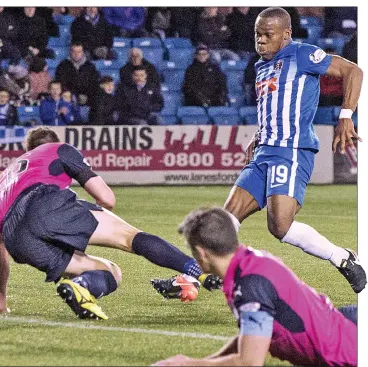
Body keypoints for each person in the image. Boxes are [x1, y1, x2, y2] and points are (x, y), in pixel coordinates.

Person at [155, 7, 366, 296]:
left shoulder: (303, 54)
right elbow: (273, 106)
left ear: (286, 34)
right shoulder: (261, 65)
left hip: (291, 150)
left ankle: (342, 257)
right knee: (225, 220)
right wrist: (258, 135)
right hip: (265, 151)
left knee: (280, 226)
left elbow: (352, 70)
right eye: (258, 34)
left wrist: (345, 116)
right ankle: (189, 279)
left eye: (268, 35)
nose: (261, 41)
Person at [0, 127, 221, 319]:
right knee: (129, 237)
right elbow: (107, 198)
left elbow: (1, 251)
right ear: (54, 141)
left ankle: (83, 286)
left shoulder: (5, 178)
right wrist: (86, 218)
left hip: (17, 238)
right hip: (47, 204)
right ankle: (195, 271)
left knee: (110, 272)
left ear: (27, 149)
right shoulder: (59, 149)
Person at [152, 207, 357, 366]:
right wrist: (208, 360)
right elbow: (252, 336)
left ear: (201, 252)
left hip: (350, 350)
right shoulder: (247, 262)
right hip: (344, 332)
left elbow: (249, 362)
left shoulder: (249, 285)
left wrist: (188, 364)